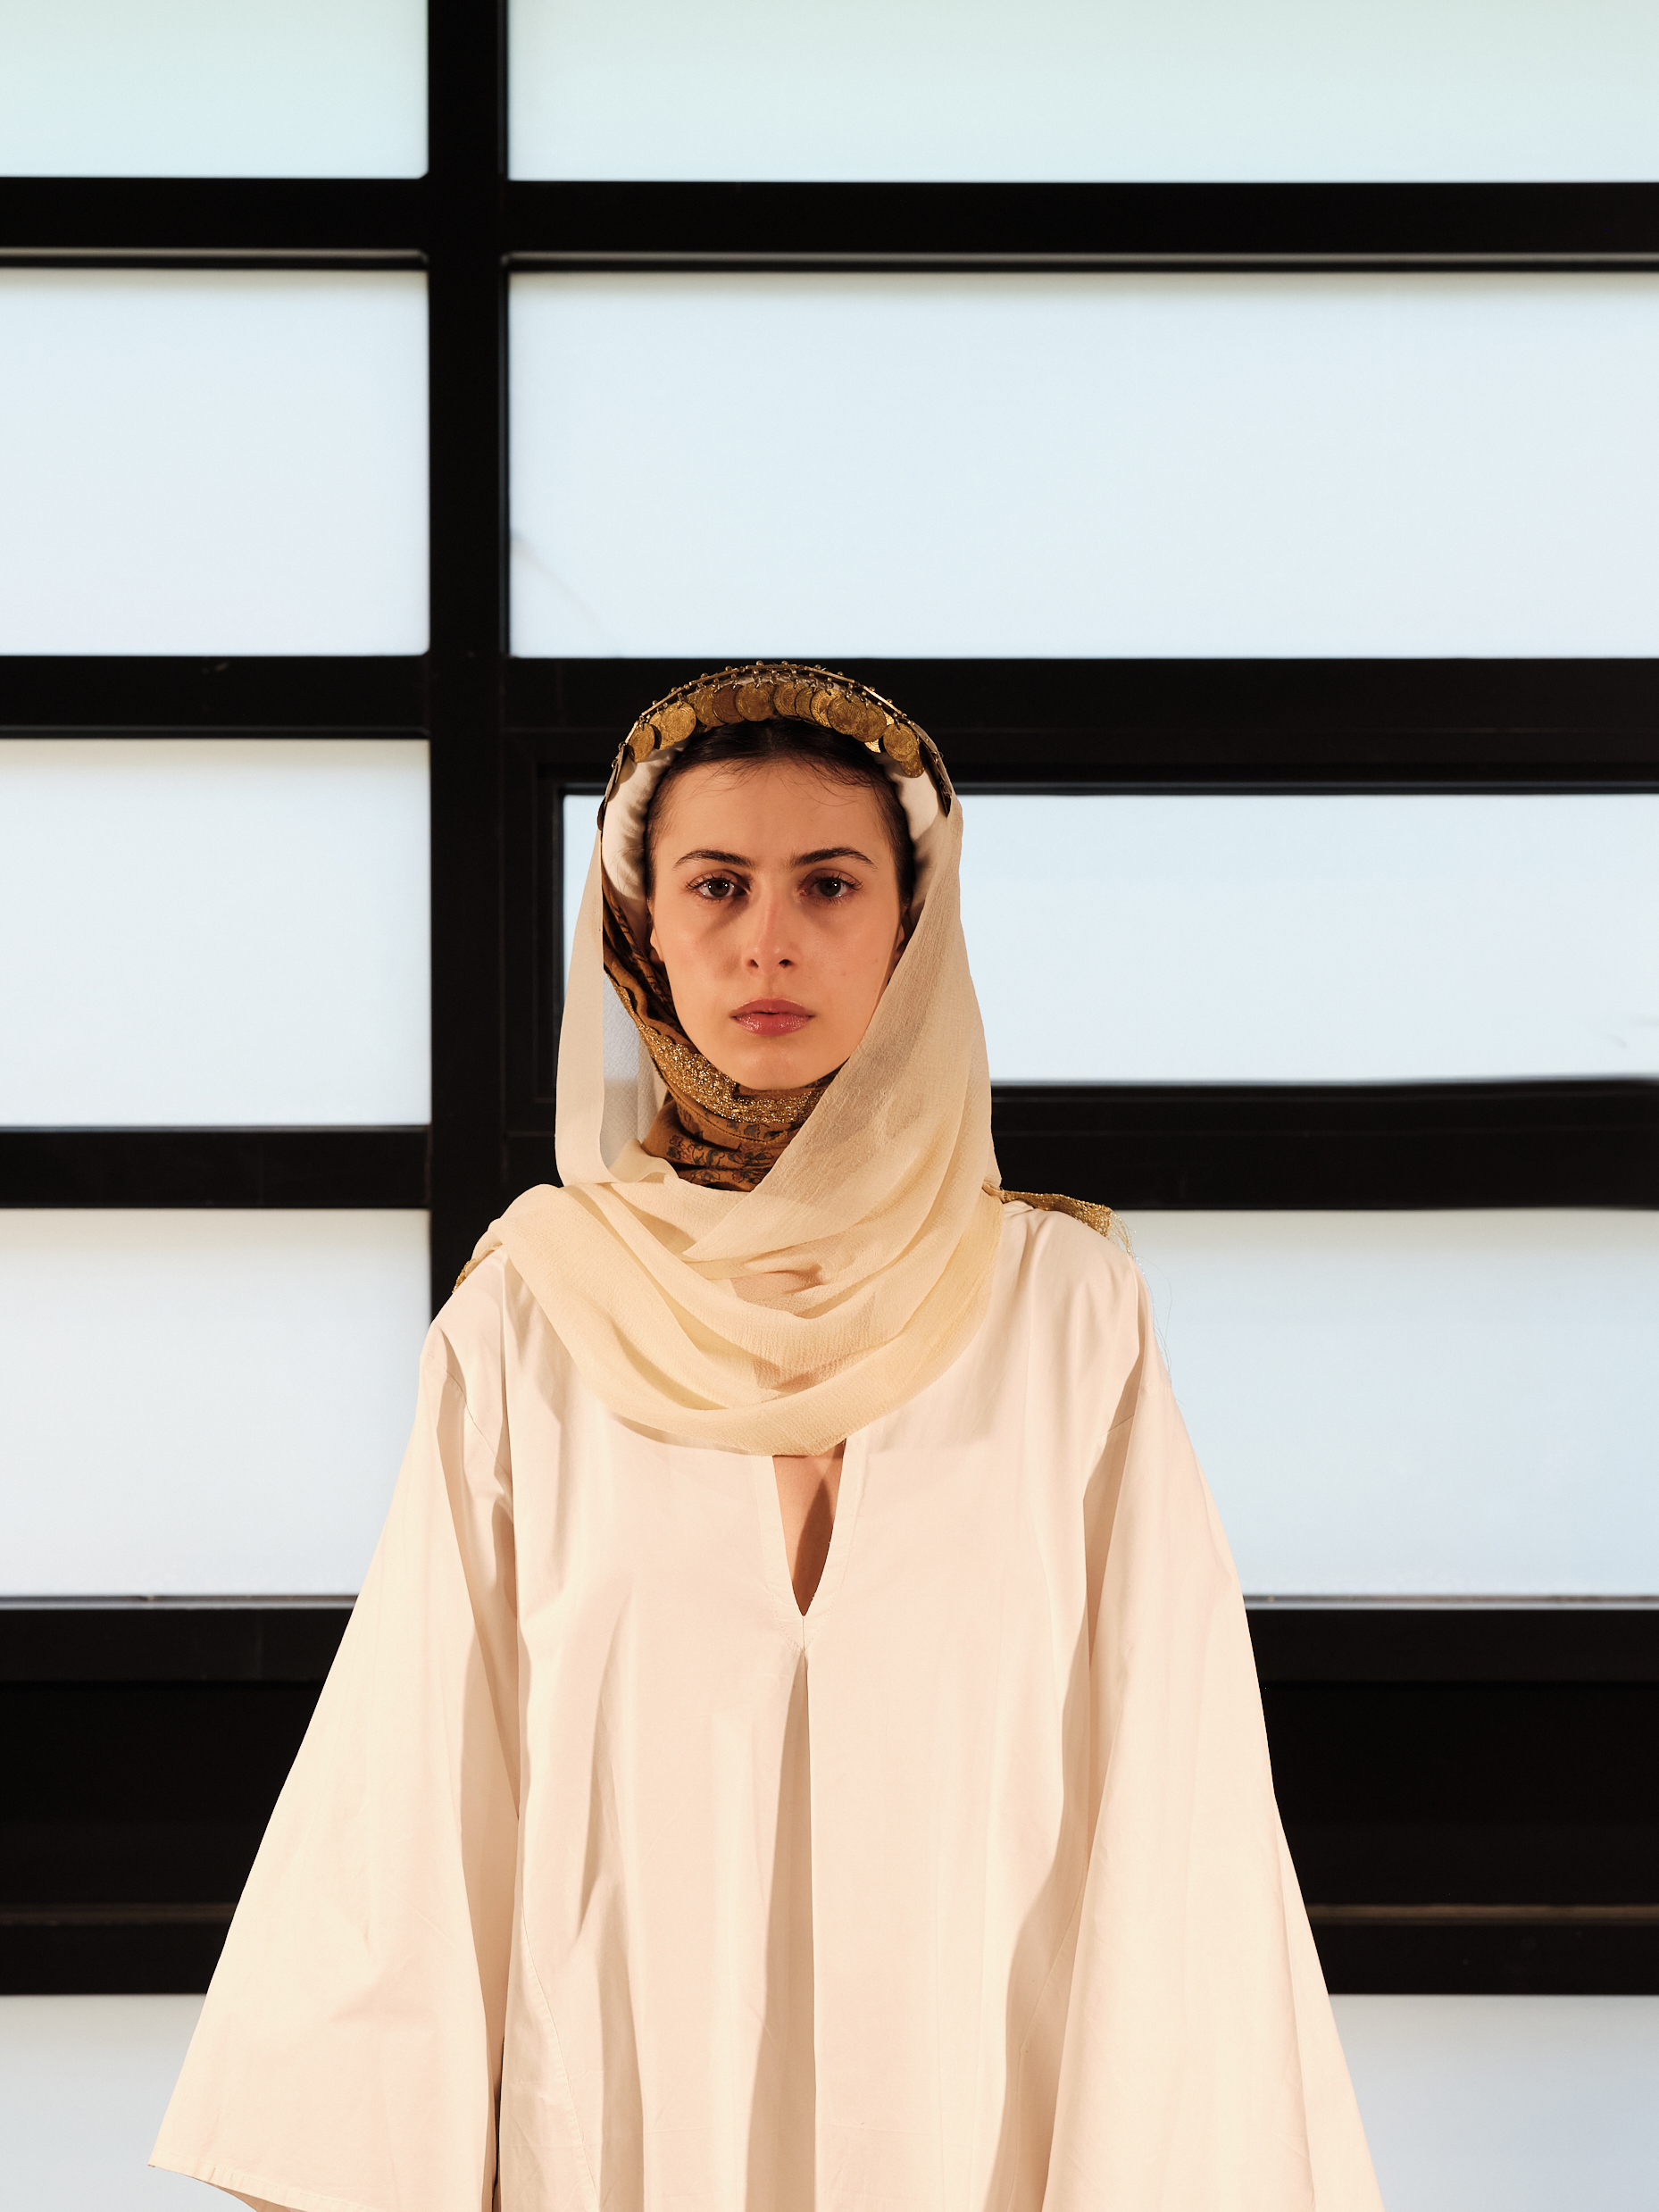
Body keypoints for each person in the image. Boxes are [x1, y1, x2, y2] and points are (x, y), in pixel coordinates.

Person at [154, 664, 1382, 2211]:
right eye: (717, 883)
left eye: (829, 883)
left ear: (910, 923)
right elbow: (413, 1789)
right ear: (641, 927)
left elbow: (1176, 1784)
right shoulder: (529, 1318)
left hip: (982, 2140)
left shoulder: (1066, 1313)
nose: (768, 940)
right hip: (623, 2138)